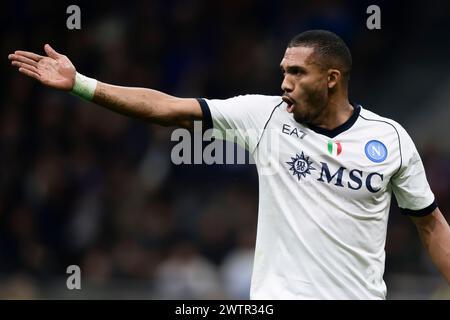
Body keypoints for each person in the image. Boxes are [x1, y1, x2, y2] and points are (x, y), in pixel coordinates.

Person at [8, 30, 450, 299]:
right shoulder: (264, 117)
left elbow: (431, 226)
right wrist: (82, 84)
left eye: (297, 73)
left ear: (332, 79)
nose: (284, 84)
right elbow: (168, 108)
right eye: (283, 71)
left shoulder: (389, 139)